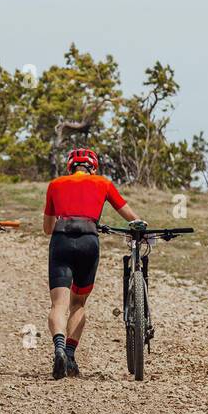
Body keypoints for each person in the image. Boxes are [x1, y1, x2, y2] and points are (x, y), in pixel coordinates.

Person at [42, 148, 145, 379]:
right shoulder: (103, 183)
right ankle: (69, 354)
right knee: (78, 303)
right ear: (93, 167)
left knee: (59, 304)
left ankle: (58, 346)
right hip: (89, 241)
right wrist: (140, 227)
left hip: (61, 240)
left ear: (70, 167)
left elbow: (48, 228)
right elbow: (131, 217)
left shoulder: (55, 184)